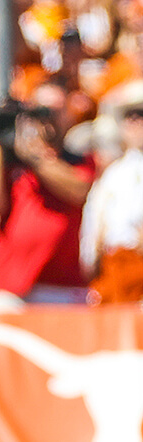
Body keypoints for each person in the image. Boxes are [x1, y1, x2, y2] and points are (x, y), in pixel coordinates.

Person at [0, 82, 96, 308]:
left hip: (60, 285)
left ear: (68, 114)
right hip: (8, 284)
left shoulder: (80, 160)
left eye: (55, 111)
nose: (47, 119)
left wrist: (35, 157)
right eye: (40, 110)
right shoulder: (13, 162)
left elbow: (79, 190)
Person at [80, 94, 143, 303]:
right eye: (130, 116)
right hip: (114, 269)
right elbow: (94, 222)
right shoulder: (113, 174)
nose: (136, 122)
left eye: (141, 115)